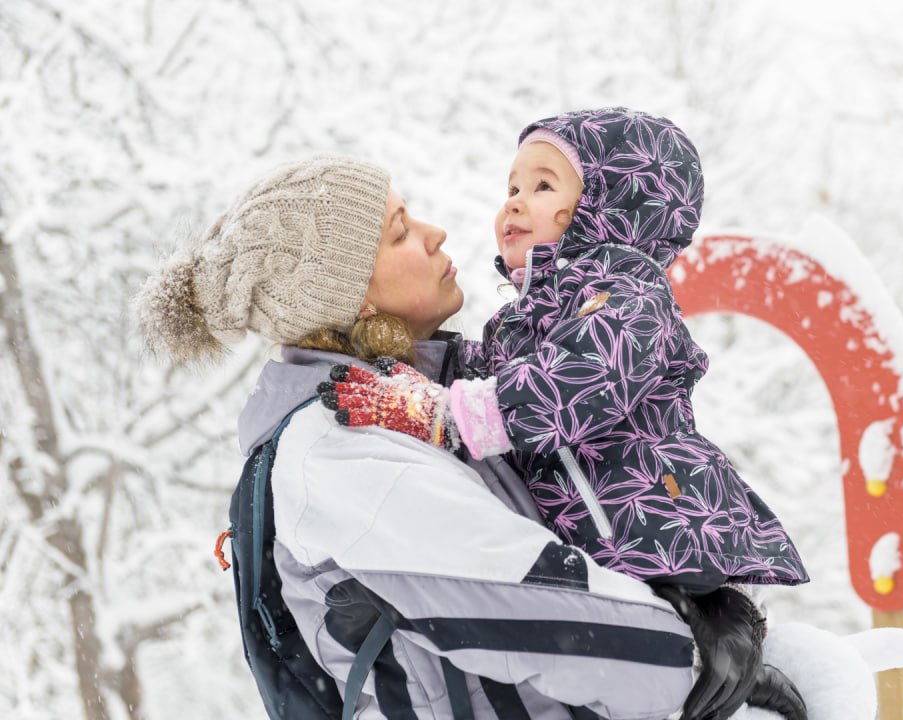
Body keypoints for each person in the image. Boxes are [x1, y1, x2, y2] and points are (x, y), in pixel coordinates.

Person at [134, 155, 775, 719]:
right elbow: (563, 619)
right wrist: (699, 653)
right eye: (401, 231)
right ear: (352, 297)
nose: (435, 232)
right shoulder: (341, 450)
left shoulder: (428, 407)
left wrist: (703, 592)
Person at [322, 108, 810, 717]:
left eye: (544, 186)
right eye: (513, 188)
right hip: (605, 548)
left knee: (689, 663)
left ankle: (759, 687)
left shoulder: (630, 298)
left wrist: (440, 415)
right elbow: (489, 373)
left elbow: (577, 382)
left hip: (657, 529)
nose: (516, 204)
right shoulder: (524, 318)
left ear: (607, 208)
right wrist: (405, 361)